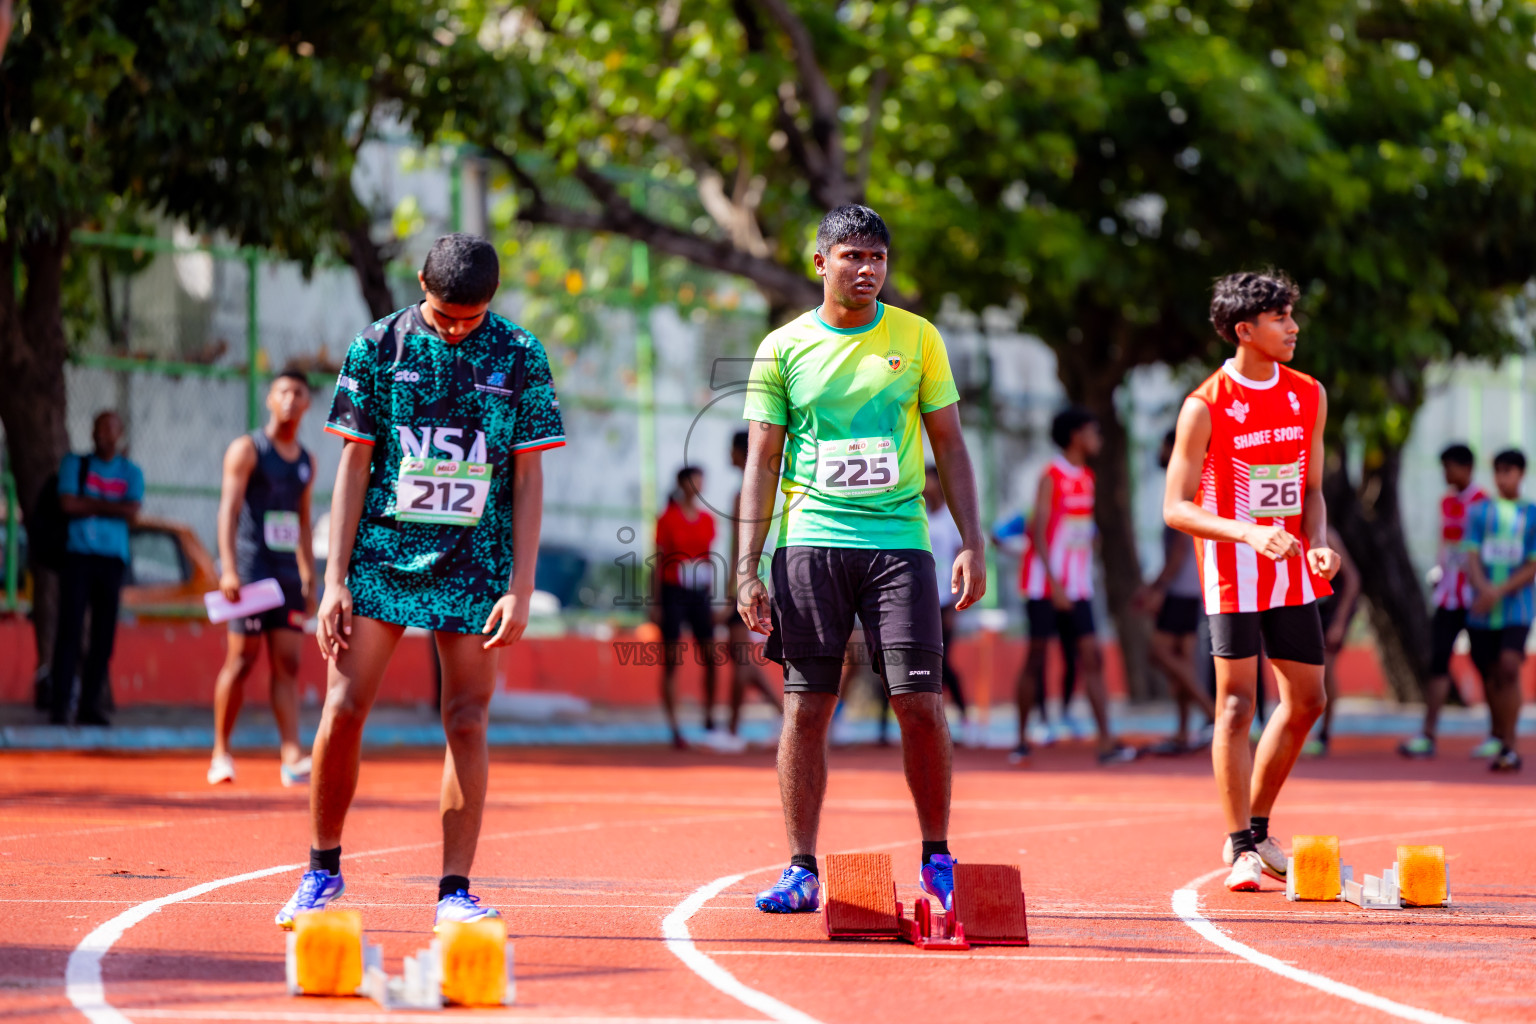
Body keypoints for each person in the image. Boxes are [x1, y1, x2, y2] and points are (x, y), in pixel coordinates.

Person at [273, 233, 565, 929]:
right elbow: (353, 464)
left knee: (466, 717)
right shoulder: (377, 346)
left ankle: (454, 891)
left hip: (475, 563)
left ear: (493, 301)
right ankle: (321, 870)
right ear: (420, 285)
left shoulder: (520, 354)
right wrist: (334, 579)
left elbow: (528, 476)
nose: (457, 330)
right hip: (382, 555)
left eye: (471, 318)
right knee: (344, 706)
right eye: (444, 316)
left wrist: (521, 586)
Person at [737, 204, 986, 915]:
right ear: (822, 263)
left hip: (899, 544)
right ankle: (800, 869)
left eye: (877, 257)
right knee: (808, 706)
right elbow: (762, 460)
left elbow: (950, 445)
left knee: (920, 704)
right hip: (810, 542)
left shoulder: (918, 337)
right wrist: (746, 565)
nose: (867, 269)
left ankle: (937, 857)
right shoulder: (782, 348)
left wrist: (971, 539)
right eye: (852, 256)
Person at [1163, 270, 1342, 893]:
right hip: (1233, 574)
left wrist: (1319, 543)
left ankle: (1259, 828)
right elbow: (1175, 507)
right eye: (1280, 318)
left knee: (1309, 701)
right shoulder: (1205, 405)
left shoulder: (1309, 394)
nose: (1293, 328)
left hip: (1291, 572)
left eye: (1292, 315)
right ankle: (1240, 844)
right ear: (1245, 330)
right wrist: (1247, 533)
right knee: (1238, 705)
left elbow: (1312, 490)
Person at [207, 371, 317, 787]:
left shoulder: (306, 461)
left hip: (287, 577)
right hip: (252, 571)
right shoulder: (247, 450)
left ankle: (291, 756)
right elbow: (228, 510)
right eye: (283, 391)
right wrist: (229, 568)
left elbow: (303, 521)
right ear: (270, 399)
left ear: (307, 404)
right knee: (241, 661)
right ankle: (221, 753)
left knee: (288, 663)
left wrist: (309, 577)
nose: (290, 399)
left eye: (298, 393)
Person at [1013, 407, 1135, 765]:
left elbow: (1078, 527)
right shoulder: (1051, 475)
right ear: (1075, 436)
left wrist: (1089, 543)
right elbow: (1037, 531)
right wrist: (1055, 584)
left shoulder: (1088, 477)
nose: (1099, 438)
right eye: (1093, 431)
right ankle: (1021, 740)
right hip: (1044, 585)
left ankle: (1106, 741)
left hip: (1079, 585)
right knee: (1036, 657)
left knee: (1091, 656)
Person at [49, 411, 144, 726]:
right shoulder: (75, 465)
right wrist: (113, 507)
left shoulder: (131, 472)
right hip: (77, 558)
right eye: (99, 428)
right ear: (91, 432)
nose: (104, 434)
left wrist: (89, 503)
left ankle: (89, 706)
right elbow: (67, 505)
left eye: (111, 429)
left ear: (120, 434)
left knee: (103, 637)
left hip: (112, 561)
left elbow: (132, 511)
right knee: (70, 630)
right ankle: (60, 704)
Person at [1399, 444, 1488, 759]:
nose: (1445, 473)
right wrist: (1439, 571)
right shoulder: (1446, 501)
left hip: (1475, 598)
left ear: (1467, 468)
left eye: (1450, 467)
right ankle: (1427, 735)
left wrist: (1485, 588)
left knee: (1486, 663)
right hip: (1447, 597)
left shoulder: (1484, 504)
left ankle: (1497, 734)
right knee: (1438, 661)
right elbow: (1446, 542)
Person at [875, 465, 969, 745]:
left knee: (942, 664)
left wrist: (955, 605)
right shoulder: (913, 515)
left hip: (942, 602)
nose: (926, 486)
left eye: (930, 481)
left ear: (940, 484)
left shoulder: (950, 520)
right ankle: (884, 727)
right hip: (910, 600)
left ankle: (964, 720)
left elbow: (960, 561)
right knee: (892, 662)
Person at [1137, 430, 1217, 755]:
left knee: (1159, 653)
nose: (1160, 451)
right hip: (1193, 586)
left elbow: (1181, 548)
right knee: (1181, 658)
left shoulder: (1186, 483)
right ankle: (1184, 731)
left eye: (1164, 446)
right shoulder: (1194, 480)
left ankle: (1212, 713)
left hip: (1182, 588)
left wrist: (1160, 587)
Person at [1462, 449, 1534, 773]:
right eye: (1498, 471)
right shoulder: (1480, 513)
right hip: (1481, 609)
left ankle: (1511, 744)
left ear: (1521, 474)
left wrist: (1498, 592)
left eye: (1509, 471)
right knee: (1490, 674)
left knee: (1509, 666)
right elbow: (1471, 555)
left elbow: (1531, 565)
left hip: (1517, 608)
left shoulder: (1532, 515)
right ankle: (1498, 733)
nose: (1503, 477)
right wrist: (1484, 589)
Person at [653, 465, 729, 750]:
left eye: (701, 481)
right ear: (682, 484)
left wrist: (715, 598)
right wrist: (655, 602)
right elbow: (658, 560)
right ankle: (675, 728)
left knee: (711, 657)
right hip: (673, 591)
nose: (698, 486)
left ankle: (709, 719)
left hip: (700, 593)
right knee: (672, 660)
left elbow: (710, 560)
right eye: (693, 481)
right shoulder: (667, 518)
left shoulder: (708, 519)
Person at [724, 430, 782, 739]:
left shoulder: (745, 494)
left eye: (731, 449)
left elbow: (738, 547)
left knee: (741, 658)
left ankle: (732, 731)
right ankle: (782, 714)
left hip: (750, 584)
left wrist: (732, 588)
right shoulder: (772, 489)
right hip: (764, 579)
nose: (728, 455)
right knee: (742, 657)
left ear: (741, 452)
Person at [1301, 526, 1360, 757]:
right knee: (1305, 673)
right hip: (1311, 609)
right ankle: (1302, 733)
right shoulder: (1286, 532)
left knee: (1325, 670)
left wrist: (1340, 622)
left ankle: (1324, 735)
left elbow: (1353, 579)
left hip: (1333, 612)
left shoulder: (1327, 535)